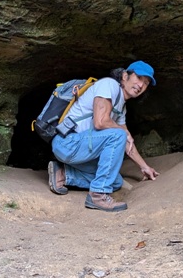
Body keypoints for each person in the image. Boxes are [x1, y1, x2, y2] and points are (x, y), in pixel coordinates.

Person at [47, 61, 160, 212]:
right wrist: (123, 132)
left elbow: (127, 142)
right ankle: (98, 196)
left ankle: (63, 174)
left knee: (115, 181)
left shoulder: (121, 106)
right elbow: (100, 122)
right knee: (118, 134)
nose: (141, 85)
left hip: (81, 149)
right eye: (139, 78)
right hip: (67, 143)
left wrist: (145, 167)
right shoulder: (109, 85)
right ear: (125, 76)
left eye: (145, 83)